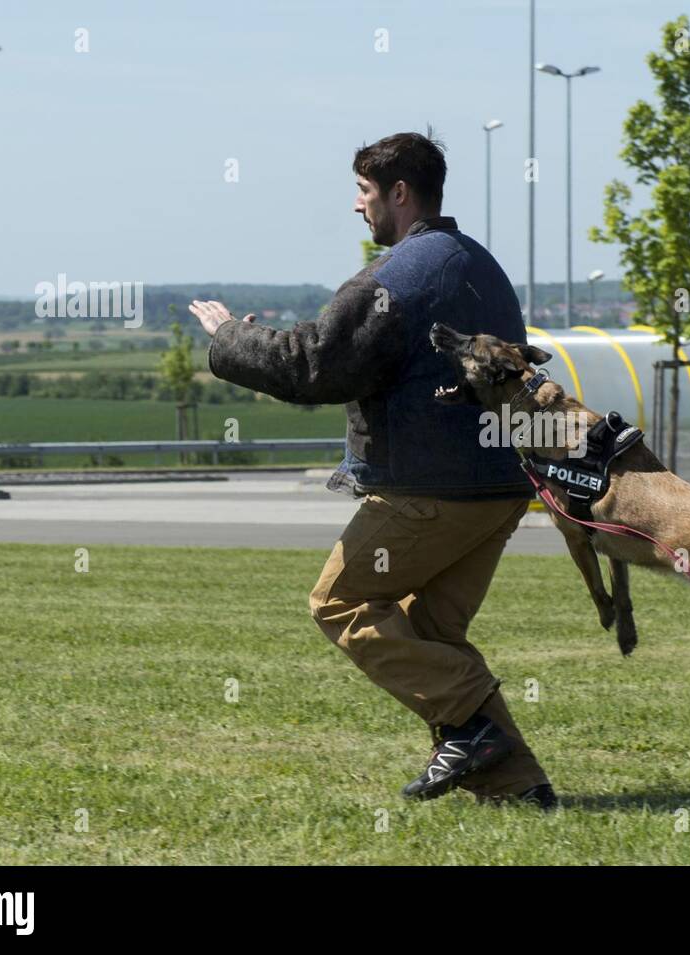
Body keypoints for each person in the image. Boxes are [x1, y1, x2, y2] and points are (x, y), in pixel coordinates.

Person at [188, 131, 556, 810]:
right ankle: (519, 788)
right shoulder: (480, 264)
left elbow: (315, 364)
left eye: (363, 191)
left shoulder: (400, 277)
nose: (358, 207)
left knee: (342, 601)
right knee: (429, 635)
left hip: (429, 490)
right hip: (500, 487)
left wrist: (229, 340)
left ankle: (474, 727)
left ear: (399, 193)